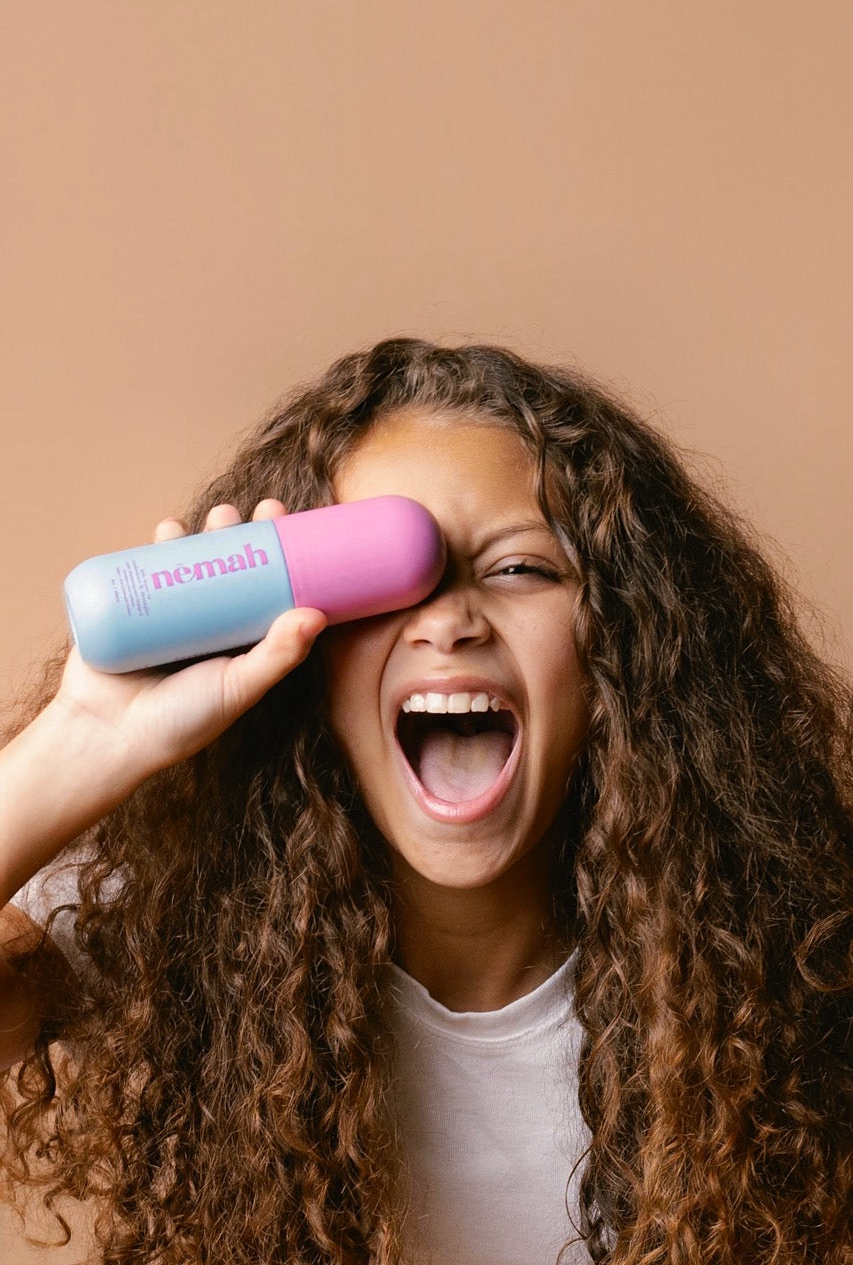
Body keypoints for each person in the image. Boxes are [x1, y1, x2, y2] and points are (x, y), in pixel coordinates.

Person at [0, 339, 850, 1265]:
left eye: (523, 569)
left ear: (624, 649)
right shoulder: (163, 927)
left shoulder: (791, 958)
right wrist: (83, 738)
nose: (449, 619)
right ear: (296, 649)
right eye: (380, 587)